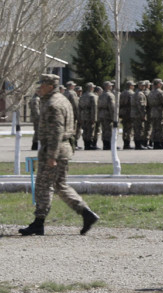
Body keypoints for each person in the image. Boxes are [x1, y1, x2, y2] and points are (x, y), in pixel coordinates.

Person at [19, 73, 100, 237]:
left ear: (50, 86)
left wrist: (51, 156)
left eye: (42, 85)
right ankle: (85, 213)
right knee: (59, 185)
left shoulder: (52, 104)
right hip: (62, 149)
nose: (39, 87)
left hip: (54, 149)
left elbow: (56, 131)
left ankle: (39, 222)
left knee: (43, 186)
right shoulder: (63, 100)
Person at [77, 82, 97, 150]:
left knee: (85, 130)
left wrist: (79, 117)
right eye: (93, 87)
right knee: (90, 130)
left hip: (83, 115)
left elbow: (79, 107)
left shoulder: (82, 96)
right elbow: (94, 108)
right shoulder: (92, 96)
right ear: (91, 88)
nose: (94, 88)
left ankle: (86, 144)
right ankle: (89, 144)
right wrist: (94, 118)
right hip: (89, 115)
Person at [147, 78, 163, 149]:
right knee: (160, 128)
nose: (161, 85)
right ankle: (158, 144)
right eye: (160, 84)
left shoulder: (151, 92)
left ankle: (154, 143)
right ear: (158, 84)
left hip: (153, 111)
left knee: (154, 128)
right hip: (159, 111)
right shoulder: (160, 92)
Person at [97, 81, 115, 151]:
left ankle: (105, 144)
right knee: (109, 130)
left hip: (102, 114)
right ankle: (108, 145)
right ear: (107, 86)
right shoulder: (110, 95)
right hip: (107, 114)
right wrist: (114, 117)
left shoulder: (101, 95)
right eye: (110, 86)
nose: (111, 87)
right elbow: (112, 107)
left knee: (104, 130)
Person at [118, 80, 135, 150]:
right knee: (129, 128)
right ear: (130, 86)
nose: (133, 87)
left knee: (124, 128)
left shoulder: (122, 93)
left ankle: (125, 142)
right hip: (129, 112)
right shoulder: (131, 93)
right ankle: (127, 143)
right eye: (133, 85)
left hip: (123, 112)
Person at [133, 81, 150, 149]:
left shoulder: (135, 93)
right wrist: (143, 114)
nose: (144, 87)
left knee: (137, 129)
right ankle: (139, 145)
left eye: (144, 86)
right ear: (139, 86)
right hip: (138, 114)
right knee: (140, 129)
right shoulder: (140, 94)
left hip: (135, 114)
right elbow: (141, 105)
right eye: (142, 86)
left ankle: (138, 144)